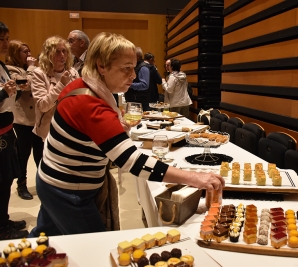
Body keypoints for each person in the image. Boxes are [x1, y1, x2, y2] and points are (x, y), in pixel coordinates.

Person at [28, 32, 224, 237]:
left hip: (50, 179)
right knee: (94, 248)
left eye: (134, 67)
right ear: (101, 66)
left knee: (43, 241)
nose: (134, 75)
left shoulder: (82, 85)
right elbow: (132, 161)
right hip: (68, 191)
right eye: (126, 69)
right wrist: (193, 177)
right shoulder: (90, 104)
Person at [0, 22, 29, 240]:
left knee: (7, 177)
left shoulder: (1, 65)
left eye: (7, 38)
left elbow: (8, 100)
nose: (5, 43)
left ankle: (3, 220)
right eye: (1, 39)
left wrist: (15, 91)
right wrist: (3, 93)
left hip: (7, 130)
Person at [31, 36, 79, 166]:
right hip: (47, 133)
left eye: (64, 51)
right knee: (47, 172)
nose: (62, 55)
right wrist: (61, 85)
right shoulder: (39, 74)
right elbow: (42, 105)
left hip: (69, 131)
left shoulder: (73, 73)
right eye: (57, 51)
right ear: (48, 54)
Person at [5, 40, 38, 200]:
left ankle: (43, 182)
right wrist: (31, 69)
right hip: (23, 119)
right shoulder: (10, 69)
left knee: (40, 153)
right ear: (15, 53)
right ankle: (22, 185)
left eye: (29, 51)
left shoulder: (28, 69)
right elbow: (24, 85)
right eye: (24, 52)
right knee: (23, 154)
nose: (29, 55)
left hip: (37, 118)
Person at [124, 47, 151, 111]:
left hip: (140, 102)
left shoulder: (143, 67)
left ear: (138, 56)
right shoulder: (135, 66)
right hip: (134, 100)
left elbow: (144, 85)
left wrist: (129, 84)